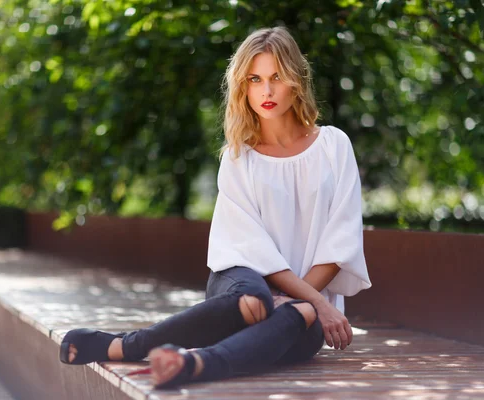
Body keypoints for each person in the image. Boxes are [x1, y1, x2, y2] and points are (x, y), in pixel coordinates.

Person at [59, 26, 371, 389]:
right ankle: (129, 345)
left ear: (296, 81)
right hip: (240, 283)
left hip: (304, 308)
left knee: (299, 314)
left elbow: (340, 239)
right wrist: (317, 302)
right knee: (255, 297)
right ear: (243, 86)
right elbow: (249, 248)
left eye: (276, 77)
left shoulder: (334, 146)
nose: (266, 91)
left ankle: (195, 363)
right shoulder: (240, 157)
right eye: (255, 79)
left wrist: (305, 301)